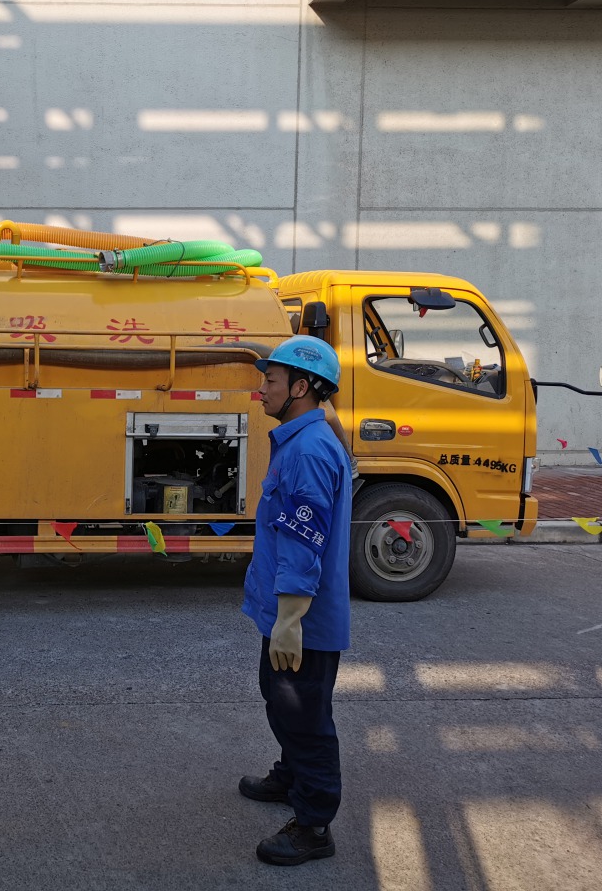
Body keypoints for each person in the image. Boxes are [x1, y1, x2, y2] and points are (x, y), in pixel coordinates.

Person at [240, 334, 352, 866]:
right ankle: (290, 777)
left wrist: (289, 619)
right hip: (288, 611)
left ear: (301, 387)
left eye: (271, 381)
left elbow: (303, 542)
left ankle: (314, 825)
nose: (261, 389)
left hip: (301, 617)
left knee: (304, 716)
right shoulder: (300, 439)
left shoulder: (307, 451)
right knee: (281, 699)